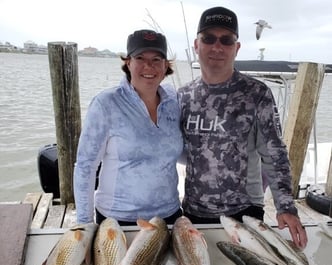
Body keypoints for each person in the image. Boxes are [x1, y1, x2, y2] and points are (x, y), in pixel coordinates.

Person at [177, 6, 308, 248]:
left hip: (244, 213)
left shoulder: (257, 94)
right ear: (197, 45)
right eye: (209, 39)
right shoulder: (183, 96)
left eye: (226, 40)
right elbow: (177, 150)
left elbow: (274, 153)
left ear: (236, 48)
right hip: (193, 212)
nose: (217, 47)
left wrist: (286, 206)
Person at [74, 29, 183, 226]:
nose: (148, 66)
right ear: (128, 62)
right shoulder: (106, 103)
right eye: (140, 57)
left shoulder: (175, 101)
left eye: (157, 59)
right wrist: (84, 224)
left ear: (166, 65)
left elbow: (181, 153)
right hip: (118, 219)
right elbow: (85, 166)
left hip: (169, 216)